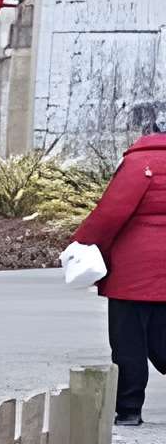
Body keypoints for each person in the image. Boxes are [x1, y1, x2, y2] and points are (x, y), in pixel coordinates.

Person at [68, 109, 166, 427]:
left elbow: (111, 213)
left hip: (134, 272)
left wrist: (83, 243)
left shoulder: (139, 164)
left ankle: (129, 409)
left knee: (129, 342)